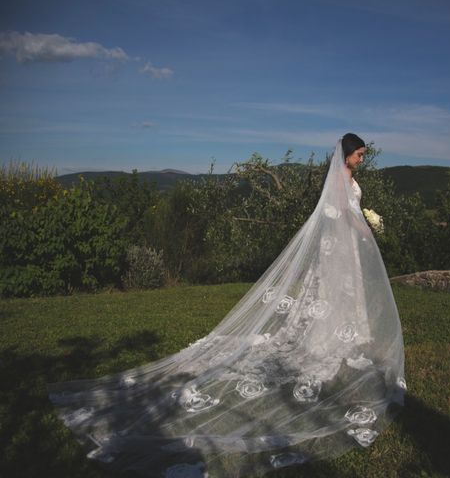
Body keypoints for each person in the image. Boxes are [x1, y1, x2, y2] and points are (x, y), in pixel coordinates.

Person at [48, 133, 406, 477]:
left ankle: (339, 332)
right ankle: (332, 334)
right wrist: (369, 227)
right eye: (359, 154)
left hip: (339, 249)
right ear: (347, 154)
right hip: (341, 246)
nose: (361, 159)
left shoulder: (342, 177)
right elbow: (344, 215)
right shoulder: (342, 179)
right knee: (334, 292)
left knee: (335, 293)